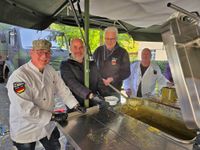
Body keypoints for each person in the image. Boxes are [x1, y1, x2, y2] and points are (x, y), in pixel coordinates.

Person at [6, 39, 83, 150]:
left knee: (55, 147)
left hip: (47, 125)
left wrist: (75, 105)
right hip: (26, 127)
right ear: (31, 52)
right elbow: (25, 110)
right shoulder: (19, 77)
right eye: (40, 52)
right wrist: (53, 116)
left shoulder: (50, 70)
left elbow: (62, 89)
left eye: (47, 52)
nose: (44, 56)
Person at [60, 38, 107, 107]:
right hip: (76, 107)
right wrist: (91, 95)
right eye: (75, 47)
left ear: (84, 49)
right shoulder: (65, 65)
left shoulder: (92, 64)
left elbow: (100, 82)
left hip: (94, 105)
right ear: (70, 49)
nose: (78, 50)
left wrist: (106, 97)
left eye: (81, 47)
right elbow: (72, 83)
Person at [93, 26, 130, 98]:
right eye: (107, 38)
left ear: (116, 38)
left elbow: (126, 72)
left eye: (112, 39)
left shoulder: (122, 53)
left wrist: (113, 78)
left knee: (113, 109)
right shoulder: (98, 51)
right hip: (98, 91)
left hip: (114, 91)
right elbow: (92, 67)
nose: (109, 41)